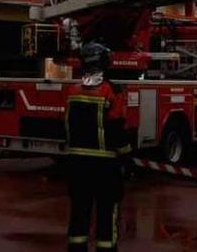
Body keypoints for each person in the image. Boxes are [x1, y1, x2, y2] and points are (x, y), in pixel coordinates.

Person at [64, 42, 131, 252]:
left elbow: (65, 125)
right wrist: (126, 158)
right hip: (105, 166)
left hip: (76, 164)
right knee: (106, 215)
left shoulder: (72, 90)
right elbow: (117, 129)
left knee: (79, 214)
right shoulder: (112, 91)